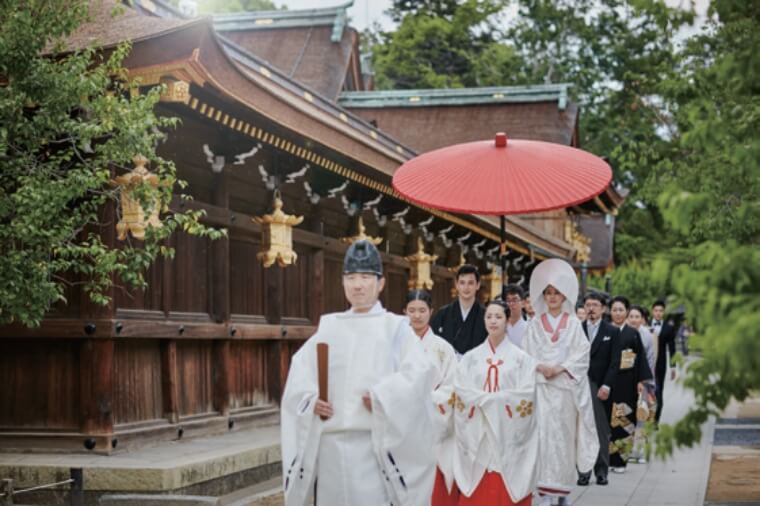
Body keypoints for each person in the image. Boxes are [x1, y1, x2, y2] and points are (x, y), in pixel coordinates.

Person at [280, 240, 436, 506]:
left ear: (381, 283)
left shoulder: (395, 328)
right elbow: (300, 379)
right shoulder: (329, 327)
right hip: (329, 448)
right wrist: (310, 402)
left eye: (365, 277)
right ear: (343, 283)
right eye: (351, 278)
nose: (358, 285)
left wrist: (383, 396)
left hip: (373, 448)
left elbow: (419, 375)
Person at [446, 300, 539, 506]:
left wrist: (492, 401)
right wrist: (488, 402)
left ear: (507, 320)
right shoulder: (471, 358)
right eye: (489, 317)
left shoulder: (522, 360)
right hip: (478, 430)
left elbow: (526, 396)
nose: (493, 321)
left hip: (507, 431)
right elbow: (461, 393)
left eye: (498, 316)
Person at [523, 259, 598, 506]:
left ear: (563, 295)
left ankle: (562, 491)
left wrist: (560, 367)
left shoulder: (574, 325)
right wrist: (539, 366)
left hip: (564, 391)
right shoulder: (534, 325)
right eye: (548, 293)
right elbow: (525, 355)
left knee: (563, 440)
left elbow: (581, 355)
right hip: (542, 390)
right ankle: (545, 493)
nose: (552, 297)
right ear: (543, 296)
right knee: (542, 439)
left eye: (556, 293)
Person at [404, 290, 459, 506]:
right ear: (404, 312)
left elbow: (452, 386)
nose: (416, 316)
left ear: (431, 312)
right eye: (411, 310)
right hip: (403, 419)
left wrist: (428, 402)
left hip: (432, 417)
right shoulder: (396, 345)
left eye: (422, 310)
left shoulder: (444, 349)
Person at [577, 292, 621, 487]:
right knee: (581, 428)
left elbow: (615, 362)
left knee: (601, 429)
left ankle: (601, 471)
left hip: (600, 386)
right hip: (579, 384)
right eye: (588, 305)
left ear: (603, 308)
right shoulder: (577, 329)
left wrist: (607, 385)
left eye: (595, 305)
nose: (591, 309)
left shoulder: (611, 331)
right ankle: (583, 471)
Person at [608, 296, 653, 473]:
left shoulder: (633, 333)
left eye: (621, 310)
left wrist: (642, 381)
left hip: (627, 380)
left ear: (626, 312)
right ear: (609, 311)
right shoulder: (606, 331)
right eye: (614, 309)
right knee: (608, 421)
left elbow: (641, 358)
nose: (618, 313)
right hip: (608, 381)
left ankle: (620, 460)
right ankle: (608, 458)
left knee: (625, 420)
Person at [431, 264, 487, 356]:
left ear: (478, 285)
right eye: (462, 283)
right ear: (456, 285)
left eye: (470, 283)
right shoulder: (443, 314)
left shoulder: (486, 315)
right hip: (448, 367)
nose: (466, 287)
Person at [627, 305, 657, 464]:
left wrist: (644, 382)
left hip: (643, 382)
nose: (633, 319)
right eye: (631, 316)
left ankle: (643, 451)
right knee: (628, 416)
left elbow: (650, 361)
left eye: (637, 316)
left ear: (642, 319)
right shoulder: (623, 332)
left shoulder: (647, 335)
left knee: (643, 416)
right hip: (626, 380)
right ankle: (630, 450)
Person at [651, 299, 677, 423]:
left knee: (658, 390)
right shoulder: (645, 325)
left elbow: (672, 348)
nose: (658, 313)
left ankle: (656, 420)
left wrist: (673, 366)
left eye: (661, 311)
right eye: (656, 310)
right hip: (645, 363)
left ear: (664, 312)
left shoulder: (668, 328)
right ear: (652, 311)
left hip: (660, 364)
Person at [504, 284, 528, 349]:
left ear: (523, 303)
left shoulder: (529, 328)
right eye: (508, 301)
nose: (511, 304)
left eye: (515, 300)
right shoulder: (501, 326)